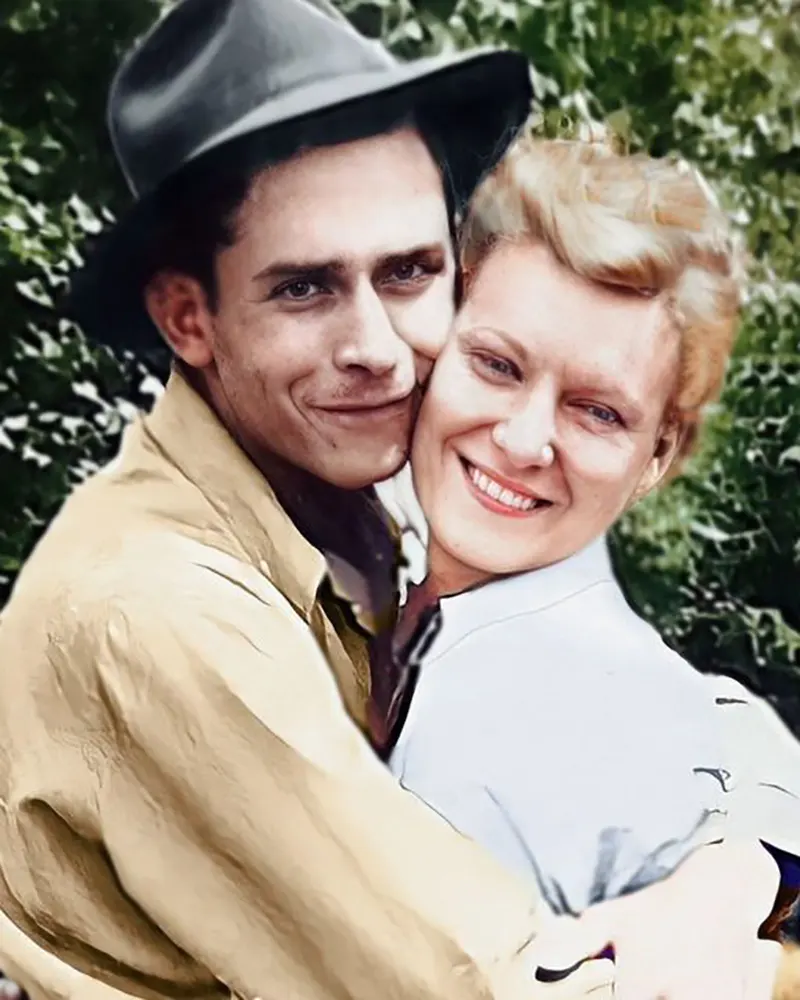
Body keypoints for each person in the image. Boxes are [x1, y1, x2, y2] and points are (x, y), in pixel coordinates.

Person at [0, 0, 792, 998]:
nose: (377, 348)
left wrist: (744, 865)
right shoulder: (159, 610)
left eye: (410, 272)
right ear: (188, 317)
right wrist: (773, 969)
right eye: (304, 288)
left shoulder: (364, 514)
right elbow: (500, 985)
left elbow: (711, 712)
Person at [385, 131, 800, 994]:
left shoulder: (577, 723)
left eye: (598, 412)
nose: (523, 439)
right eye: (496, 365)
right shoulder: (333, 554)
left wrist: (739, 885)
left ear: (658, 455)